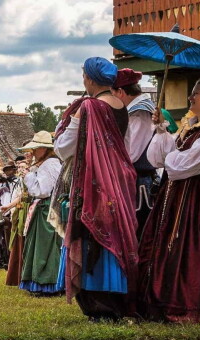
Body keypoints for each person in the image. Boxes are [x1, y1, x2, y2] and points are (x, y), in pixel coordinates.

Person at [138, 78, 200, 323]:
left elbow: (187, 165)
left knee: (193, 249)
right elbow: (160, 158)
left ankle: (196, 305)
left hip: (197, 202)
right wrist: (161, 129)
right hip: (178, 198)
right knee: (172, 246)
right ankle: (166, 300)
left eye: (195, 94)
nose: (191, 99)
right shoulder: (192, 126)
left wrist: (172, 157)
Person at [53, 56, 138, 320]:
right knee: (117, 237)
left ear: (89, 79)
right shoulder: (122, 106)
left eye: (83, 77)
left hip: (93, 183)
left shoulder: (88, 107)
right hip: (120, 181)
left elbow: (64, 147)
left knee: (90, 236)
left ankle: (97, 305)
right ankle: (117, 300)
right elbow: (127, 145)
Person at [111, 68, 158, 240]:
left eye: (112, 94)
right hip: (137, 181)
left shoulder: (140, 112)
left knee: (138, 237)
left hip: (140, 185)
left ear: (121, 92)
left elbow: (131, 154)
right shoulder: (137, 110)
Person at [16, 132, 63, 295]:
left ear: (45, 148)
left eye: (36, 149)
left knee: (46, 245)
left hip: (47, 209)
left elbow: (42, 190)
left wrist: (28, 175)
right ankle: (39, 281)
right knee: (39, 245)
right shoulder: (45, 163)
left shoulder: (51, 164)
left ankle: (48, 283)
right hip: (43, 208)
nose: (33, 152)